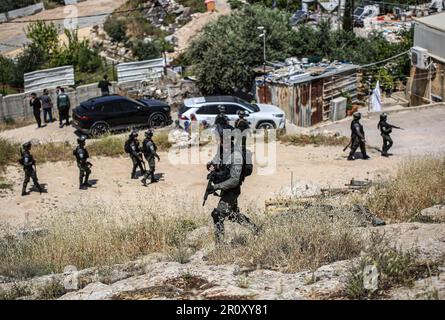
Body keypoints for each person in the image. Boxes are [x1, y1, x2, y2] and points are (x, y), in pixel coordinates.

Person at [206, 135, 259, 244]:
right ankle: (255, 229)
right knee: (232, 215)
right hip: (226, 189)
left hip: (232, 191)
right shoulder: (223, 152)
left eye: (221, 141)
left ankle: (219, 247)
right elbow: (215, 162)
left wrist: (215, 187)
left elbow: (235, 180)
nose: (219, 144)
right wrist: (211, 166)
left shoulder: (236, 156)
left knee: (218, 214)